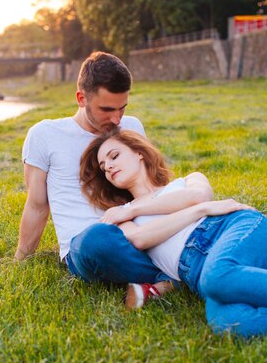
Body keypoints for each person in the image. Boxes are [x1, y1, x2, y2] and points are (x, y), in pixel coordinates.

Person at [78, 128, 267, 340]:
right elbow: (142, 238)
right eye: (104, 167)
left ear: (139, 152)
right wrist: (194, 211)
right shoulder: (122, 215)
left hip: (237, 231)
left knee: (218, 276)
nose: (110, 167)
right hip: (201, 274)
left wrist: (198, 207)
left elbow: (198, 195)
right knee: (228, 323)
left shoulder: (187, 179)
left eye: (114, 156)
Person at [15, 51, 210, 294]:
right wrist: (20, 261)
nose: (117, 119)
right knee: (97, 240)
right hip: (92, 244)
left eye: (122, 108)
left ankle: (179, 273)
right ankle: (182, 274)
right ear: (81, 98)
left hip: (144, 232)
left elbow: (153, 185)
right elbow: (36, 205)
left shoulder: (132, 126)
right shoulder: (45, 134)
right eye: (107, 109)